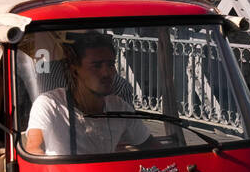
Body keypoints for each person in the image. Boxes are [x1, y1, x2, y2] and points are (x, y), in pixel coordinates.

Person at [24, 32, 157, 156]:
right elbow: (34, 148)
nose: (106, 73)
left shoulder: (119, 108)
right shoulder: (49, 104)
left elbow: (151, 146)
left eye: (110, 64)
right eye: (96, 65)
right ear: (75, 69)